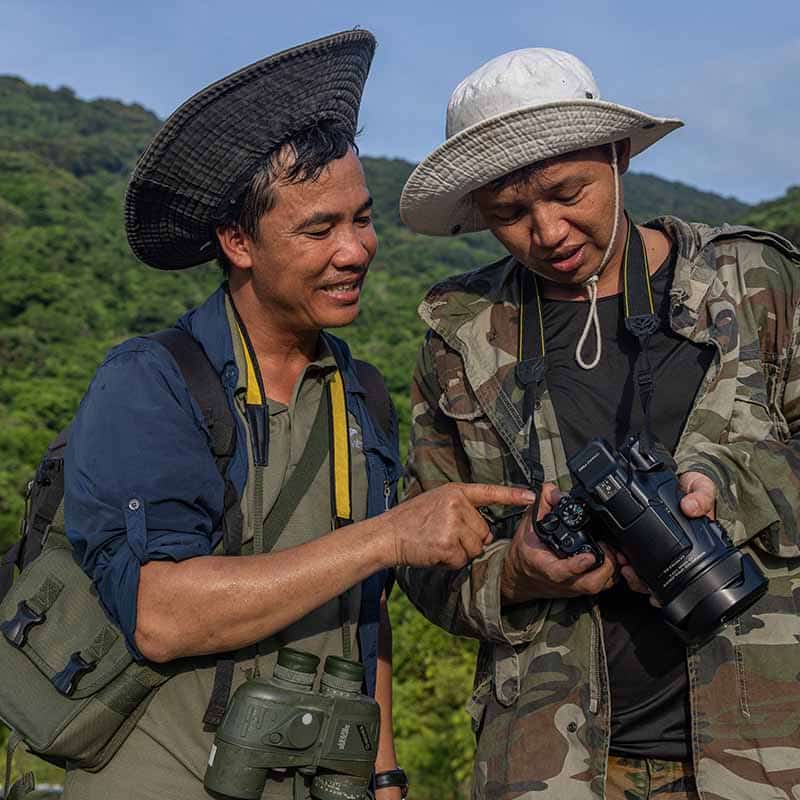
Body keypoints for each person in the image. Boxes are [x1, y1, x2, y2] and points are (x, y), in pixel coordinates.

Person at [62, 31, 534, 800]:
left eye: (363, 218)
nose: (356, 250)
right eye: (319, 230)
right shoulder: (152, 381)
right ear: (237, 241)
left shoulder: (364, 395)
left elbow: (364, 616)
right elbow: (163, 615)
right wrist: (389, 535)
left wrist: (383, 774)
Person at [397, 47, 800, 800]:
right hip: (551, 765)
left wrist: (727, 493)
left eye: (566, 192)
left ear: (617, 157)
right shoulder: (462, 336)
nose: (546, 231)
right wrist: (513, 573)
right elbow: (421, 564)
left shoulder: (753, 285)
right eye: (509, 215)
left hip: (768, 751)